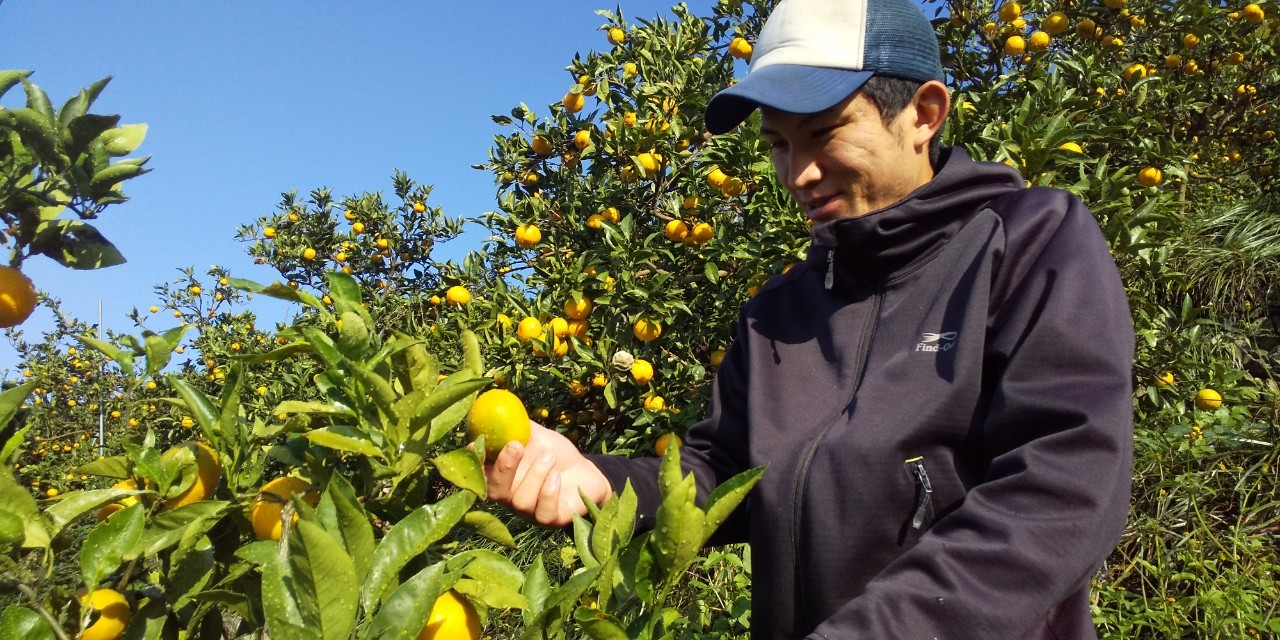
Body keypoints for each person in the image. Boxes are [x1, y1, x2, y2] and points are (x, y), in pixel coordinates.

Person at [483, 0, 1135, 637]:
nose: (800, 173)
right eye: (779, 145)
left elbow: (1063, 482)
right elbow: (719, 471)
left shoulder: (1026, 242)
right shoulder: (779, 312)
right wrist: (601, 477)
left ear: (923, 114)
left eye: (824, 133)